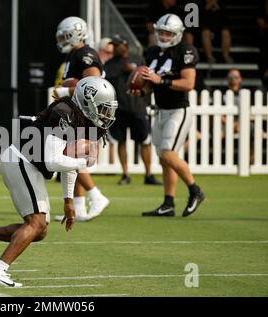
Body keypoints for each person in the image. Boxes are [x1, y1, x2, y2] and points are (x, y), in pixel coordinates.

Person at [0, 76, 118, 287]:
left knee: (39, 231)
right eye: (103, 108)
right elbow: (53, 161)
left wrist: (68, 200)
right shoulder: (64, 113)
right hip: (20, 160)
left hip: (28, 164)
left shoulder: (82, 117)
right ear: (87, 101)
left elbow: (67, 162)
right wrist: (83, 161)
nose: (107, 115)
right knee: (36, 223)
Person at [130, 13, 205, 217]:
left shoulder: (185, 51)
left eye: (168, 33)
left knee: (167, 153)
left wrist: (160, 81)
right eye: (161, 32)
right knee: (164, 159)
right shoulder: (152, 52)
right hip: (161, 110)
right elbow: (150, 85)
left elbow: (188, 83)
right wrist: (141, 90)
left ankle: (195, 190)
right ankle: (168, 203)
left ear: (178, 34)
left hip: (178, 110)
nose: (163, 36)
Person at [52, 16, 110, 221]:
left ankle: (96, 196)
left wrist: (66, 90)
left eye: (66, 36)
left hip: (87, 112)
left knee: (70, 156)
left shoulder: (85, 54)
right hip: (77, 110)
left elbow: (93, 83)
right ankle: (79, 207)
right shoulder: (73, 54)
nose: (62, 40)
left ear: (78, 34)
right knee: (72, 156)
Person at [105, 35, 161, 186]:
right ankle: (125, 174)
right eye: (113, 46)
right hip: (120, 108)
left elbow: (147, 81)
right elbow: (106, 82)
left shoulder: (138, 59)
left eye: (117, 45)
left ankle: (148, 174)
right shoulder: (110, 64)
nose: (114, 48)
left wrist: (147, 102)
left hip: (138, 107)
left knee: (144, 141)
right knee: (121, 141)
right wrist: (122, 70)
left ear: (125, 45)